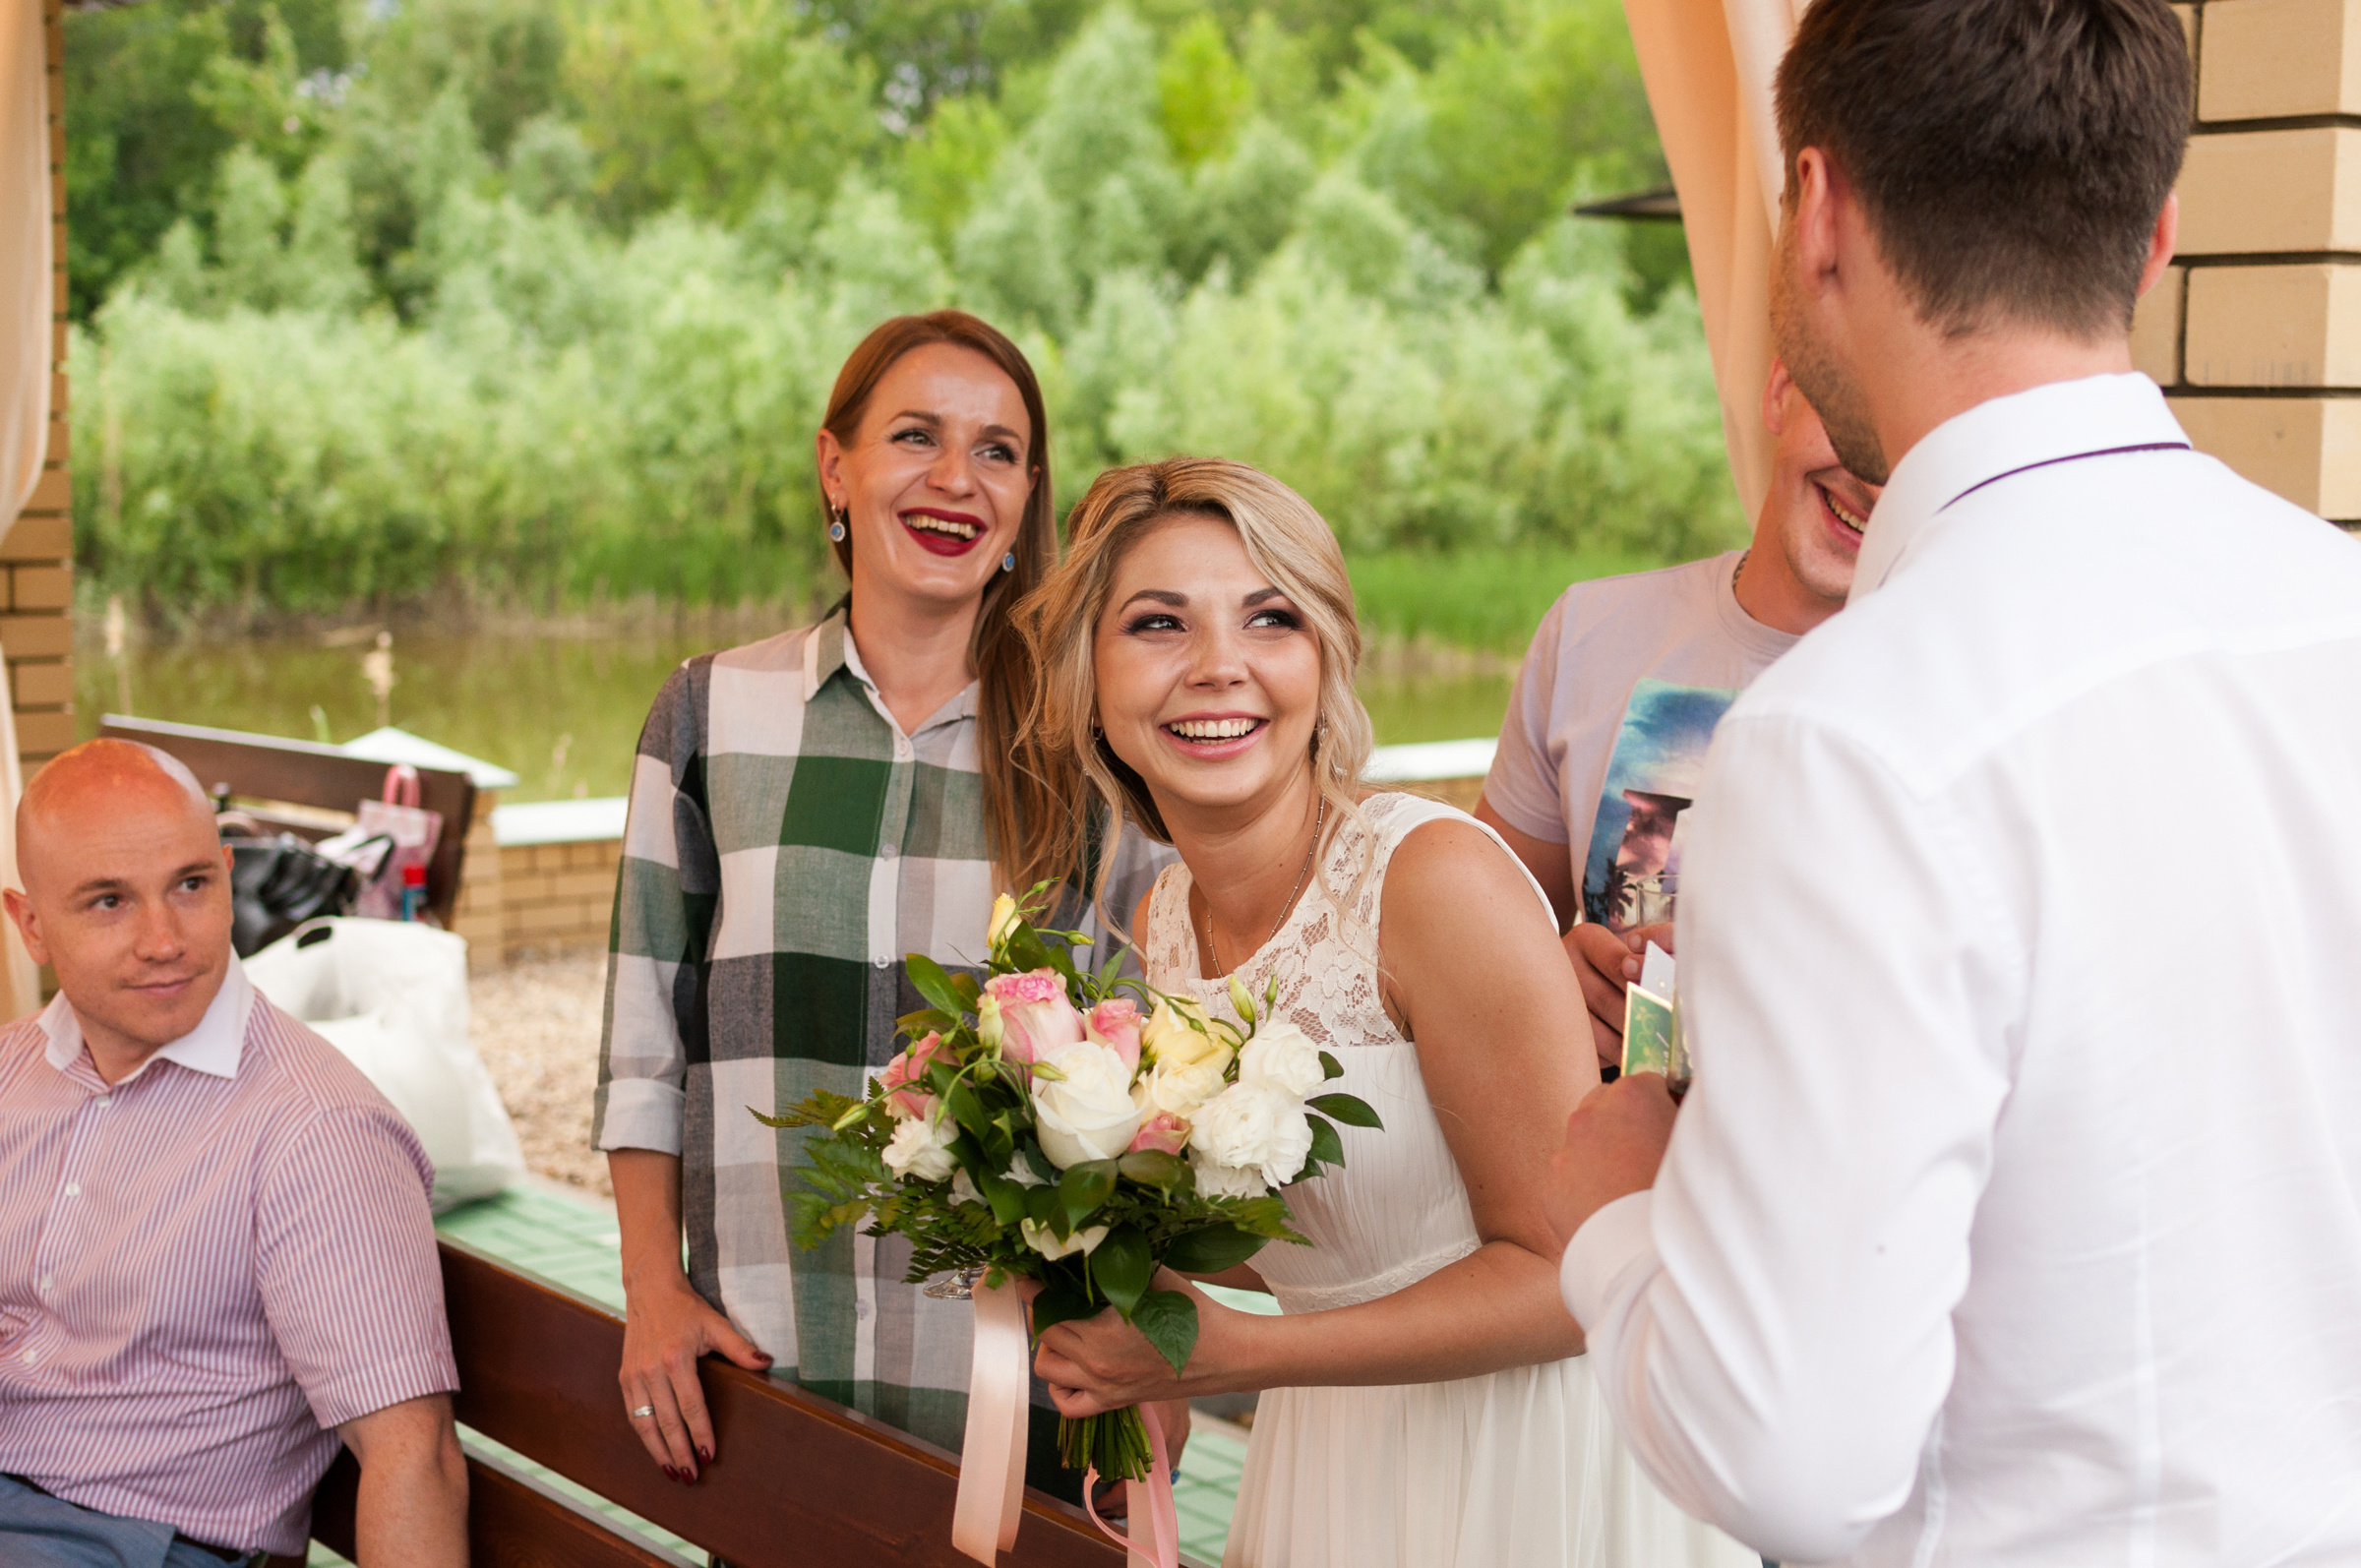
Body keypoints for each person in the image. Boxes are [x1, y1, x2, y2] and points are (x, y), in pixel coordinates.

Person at [1550, 1, 2361, 1563]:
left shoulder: (1847, 737)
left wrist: (1619, 1216)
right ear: (2156, 243)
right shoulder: (2335, 608)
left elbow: (1787, 1456)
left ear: (1822, 214)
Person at [1013, 457, 1749, 1568]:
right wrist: (1089, 1244)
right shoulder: (1166, 916)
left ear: (1323, 656)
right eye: (1158, 624)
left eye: (1271, 618)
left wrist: (1237, 1354)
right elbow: (1334, 1239)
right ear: (1087, 676)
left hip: (1529, 1472)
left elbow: (1567, 1276)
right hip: (1338, 1461)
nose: (1220, 667)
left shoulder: (1429, 880)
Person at [594, 310, 1169, 1497]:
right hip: (759, 1374)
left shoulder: (1093, 752)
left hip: (1021, 1396)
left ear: (1026, 498)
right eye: (917, 436)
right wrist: (654, 1288)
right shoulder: (708, 717)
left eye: (999, 451)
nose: (957, 480)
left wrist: (1151, 1362)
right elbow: (642, 1043)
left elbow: (1158, 1092)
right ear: (834, 467)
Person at [0, 740, 465, 1567]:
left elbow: (411, 1453)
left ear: (225, 878)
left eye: (190, 886)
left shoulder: (315, 1131)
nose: (163, 940)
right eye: (109, 901)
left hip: (123, 1541)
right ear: (31, 926)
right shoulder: (14, 1072)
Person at [1478, 363, 1879, 1065]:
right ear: (1781, 388)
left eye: (1916, 450)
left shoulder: (1978, 692)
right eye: (1859, 420)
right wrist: (1547, 983)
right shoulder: (1588, 630)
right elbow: (1475, 942)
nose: (1875, 483)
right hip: (1602, 1156)